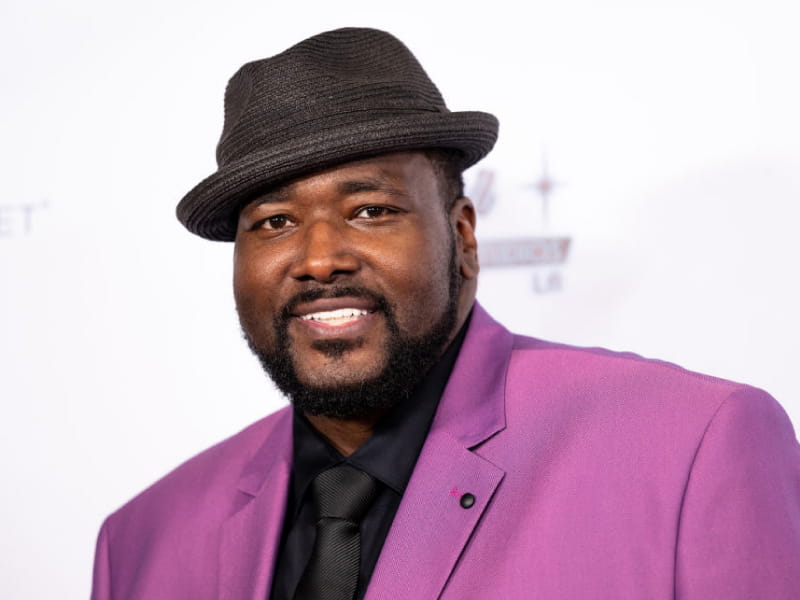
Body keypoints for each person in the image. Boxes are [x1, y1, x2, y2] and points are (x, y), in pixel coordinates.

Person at [90, 27, 800, 600]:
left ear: (462, 235)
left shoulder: (692, 449)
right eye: (273, 222)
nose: (318, 257)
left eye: (371, 210)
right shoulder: (144, 543)